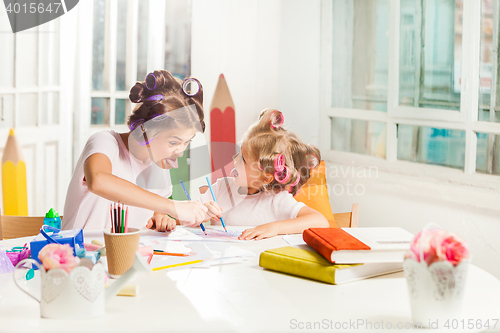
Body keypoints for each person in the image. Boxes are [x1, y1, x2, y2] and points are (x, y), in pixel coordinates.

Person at [63, 70, 207, 230]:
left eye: (187, 142)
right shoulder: (105, 142)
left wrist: (161, 217)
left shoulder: (159, 166)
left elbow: (155, 211)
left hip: (127, 253)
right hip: (80, 251)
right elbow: (98, 180)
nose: (180, 152)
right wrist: (173, 206)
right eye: (174, 142)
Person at [160, 108, 329, 240]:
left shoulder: (276, 199)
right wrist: (199, 215)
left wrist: (274, 228)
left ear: (266, 176)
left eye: (243, 158)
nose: (234, 158)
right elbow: (187, 220)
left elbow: (320, 222)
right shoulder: (221, 187)